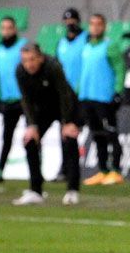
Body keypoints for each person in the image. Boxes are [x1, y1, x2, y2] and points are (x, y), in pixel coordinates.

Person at [11, 43, 82, 206]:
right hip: (42, 109)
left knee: (69, 140)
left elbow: (64, 94)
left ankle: (72, 190)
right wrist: (31, 125)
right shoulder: (20, 71)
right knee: (29, 141)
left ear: (40, 58)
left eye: (32, 59)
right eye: (25, 60)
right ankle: (36, 190)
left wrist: (67, 122)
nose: (29, 64)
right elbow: (25, 99)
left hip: (65, 105)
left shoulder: (52, 66)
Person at [77, 13, 125, 185]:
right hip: (87, 97)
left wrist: (118, 91)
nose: (95, 27)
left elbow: (120, 69)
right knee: (97, 135)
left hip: (104, 97)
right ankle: (103, 169)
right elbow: (84, 73)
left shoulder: (110, 46)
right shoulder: (87, 47)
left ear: (104, 27)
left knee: (111, 132)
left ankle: (116, 170)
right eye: (92, 24)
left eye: (99, 24)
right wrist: (78, 93)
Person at [0, 16, 26, 183]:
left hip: (24, 99)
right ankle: (0, 171)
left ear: (15, 29)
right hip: (7, 101)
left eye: (9, 27)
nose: (6, 31)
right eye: (3, 28)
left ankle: (37, 172)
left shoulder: (23, 46)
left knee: (32, 136)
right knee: (6, 137)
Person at [55, 7, 88, 72]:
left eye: (73, 21)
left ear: (78, 22)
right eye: (67, 21)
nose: (70, 24)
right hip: (65, 81)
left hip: (82, 81)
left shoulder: (87, 38)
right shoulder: (61, 43)